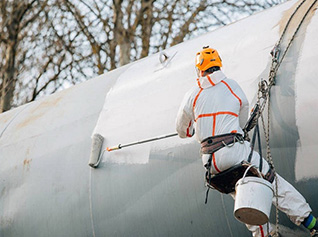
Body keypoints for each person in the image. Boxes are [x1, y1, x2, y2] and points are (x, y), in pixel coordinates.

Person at [175, 46, 317, 237]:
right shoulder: (232, 86)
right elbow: (242, 124)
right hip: (234, 151)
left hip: (211, 163)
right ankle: (311, 223)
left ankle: (266, 234)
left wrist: (194, 128)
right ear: (218, 66)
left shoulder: (192, 94)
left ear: (200, 69)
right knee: (272, 182)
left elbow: (183, 131)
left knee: (245, 197)